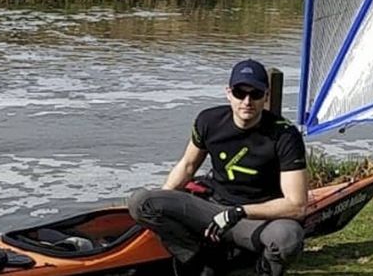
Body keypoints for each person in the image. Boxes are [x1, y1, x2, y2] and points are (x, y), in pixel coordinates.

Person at [127, 59, 308, 276]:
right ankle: (198, 259)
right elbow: (187, 166)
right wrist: (164, 203)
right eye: (240, 93)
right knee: (142, 202)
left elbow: (297, 205)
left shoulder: (285, 135)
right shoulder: (208, 121)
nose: (247, 101)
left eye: (256, 94)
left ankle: (258, 270)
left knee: (288, 239)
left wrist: (241, 212)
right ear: (228, 93)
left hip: (255, 217)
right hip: (212, 208)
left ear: (266, 96)